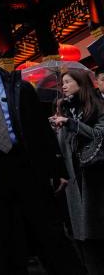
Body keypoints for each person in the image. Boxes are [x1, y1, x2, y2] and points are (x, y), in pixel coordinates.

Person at [0, 39, 85, 275]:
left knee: (49, 235)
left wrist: (57, 168)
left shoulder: (20, 88)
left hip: (27, 167)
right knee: (4, 244)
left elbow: (42, 131)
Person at [50, 69, 104, 274]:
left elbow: (99, 135)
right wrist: (58, 127)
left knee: (97, 228)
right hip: (74, 177)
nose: (63, 86)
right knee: (80, 232)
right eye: (62, 82)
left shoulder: (97, 106)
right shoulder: (65, 108)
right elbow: (63, 146)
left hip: (96, 174)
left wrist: (72, 124)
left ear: (80, 84)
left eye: (67, 82)